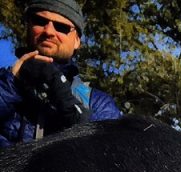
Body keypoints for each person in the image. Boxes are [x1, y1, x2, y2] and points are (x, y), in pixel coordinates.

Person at [0, 1, 120, 147]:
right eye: (40, 21)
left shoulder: (97, 103)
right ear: (28, 27)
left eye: (62, 27)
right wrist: (11, 84)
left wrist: (63, 96)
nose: (49, 31)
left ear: (77, 41)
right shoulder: (5, 82)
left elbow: (110, 157)